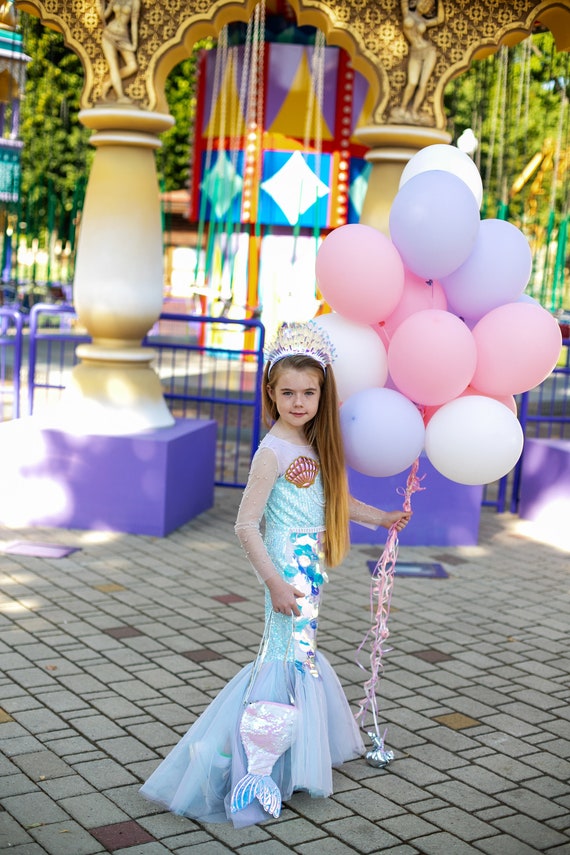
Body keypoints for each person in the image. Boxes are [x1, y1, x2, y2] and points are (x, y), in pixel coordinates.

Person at [139, 321, 411, 827]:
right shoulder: (272, 451)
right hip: (286, 573)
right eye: (288, 392)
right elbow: (246, 526)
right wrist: (274, 582)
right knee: (280, 657)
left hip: (309, 575)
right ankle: (254, 768)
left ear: (322, 393)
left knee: (300, 656)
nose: (299, 401)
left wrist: (382, 518)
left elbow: (334, 501)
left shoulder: (312, 443)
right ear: (271, 392)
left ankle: (284, 762)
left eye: (309, 392)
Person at [390, 0, 445, 124]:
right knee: (412, 82)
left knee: (423, 84)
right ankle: (403, 108)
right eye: (424, 2)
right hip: (415, 52)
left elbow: (439, 19)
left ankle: (414, 111)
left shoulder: (424, 21)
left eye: (428, 5)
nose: (425, 5)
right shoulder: (407, 14)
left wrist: (439, 2)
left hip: (428, 51)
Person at [99, 0, 140, 102]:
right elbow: (104, 16)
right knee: (113, 66)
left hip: (123, 37)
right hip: (109, 34)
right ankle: (120, 97)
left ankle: (109, 82)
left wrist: (134, 45)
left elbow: (134, 23)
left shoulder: (135, 2)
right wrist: (99, 4)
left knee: (133, 66)